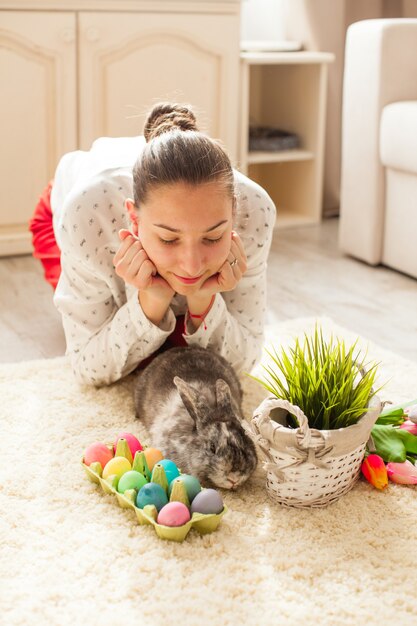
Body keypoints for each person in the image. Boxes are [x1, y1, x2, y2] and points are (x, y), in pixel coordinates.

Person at [30, 103, 276, 386]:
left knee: (175, 340)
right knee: (145, 347)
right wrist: (152, 300)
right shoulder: (86, 216)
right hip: (63, 217)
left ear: (234, 214)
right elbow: (87, 368)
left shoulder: (255, 211)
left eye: (212, 237)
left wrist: (203, 301)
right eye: (169, 239)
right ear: (133, 220)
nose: (192, 264)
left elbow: (246, 361)